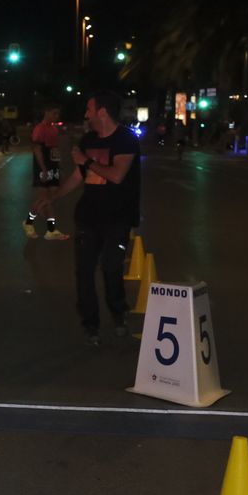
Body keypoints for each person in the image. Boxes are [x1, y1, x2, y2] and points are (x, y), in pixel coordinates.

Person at [54, 92, 142, 345]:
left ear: (102, 112)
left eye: (89, 110)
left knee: (112, 268)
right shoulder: (88, 139)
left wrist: (87, 161)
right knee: (83, 273)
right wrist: (54, 197)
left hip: (117, 218)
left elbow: (116, 175)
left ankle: (118, 313)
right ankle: (90, 324)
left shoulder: (125, 140)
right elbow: (78, 176)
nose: (85, 115)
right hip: (87, 217)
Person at [24, 105, 67, 240]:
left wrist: (58, 168)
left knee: (51, 197)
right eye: (54, 113)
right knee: (44, 198)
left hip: (52, 166)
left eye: (58, 114)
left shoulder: (54, 129)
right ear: (46, 112)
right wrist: (43, 168)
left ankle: (50, 230)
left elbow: (55, 151)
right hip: (43, 166)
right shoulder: (39, 129)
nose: (56, 116)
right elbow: (37, 149)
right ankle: (31, 223)